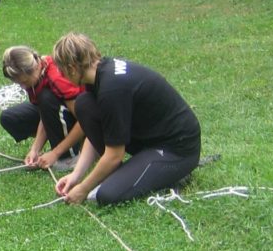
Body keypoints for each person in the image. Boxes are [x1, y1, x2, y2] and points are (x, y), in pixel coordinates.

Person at [52, 33, 201, 206]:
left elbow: (115, 155)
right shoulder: (98, 75)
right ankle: (123, 174)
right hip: (148, 137)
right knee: (84, 104)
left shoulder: (112, 90)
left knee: (106, 195)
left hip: (176, 150)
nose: (63, 77)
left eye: (62, 72)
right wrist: (76, 176)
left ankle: (173, 173)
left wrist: (84, 189)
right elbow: (97, 131)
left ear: (71, 68)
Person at [0, 45, 85, 171]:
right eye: (19, 83)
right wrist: (34, 150)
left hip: (89, 121)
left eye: (25, 82)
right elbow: (45, 115)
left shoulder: (56, 78)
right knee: (10, 117)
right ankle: (57, 141)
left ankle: (69, 157)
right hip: (59, 110)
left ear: (34, 68)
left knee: (46, 97)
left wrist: (55, 153)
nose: (23, 86)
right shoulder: (36, 79)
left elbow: (85, 120)